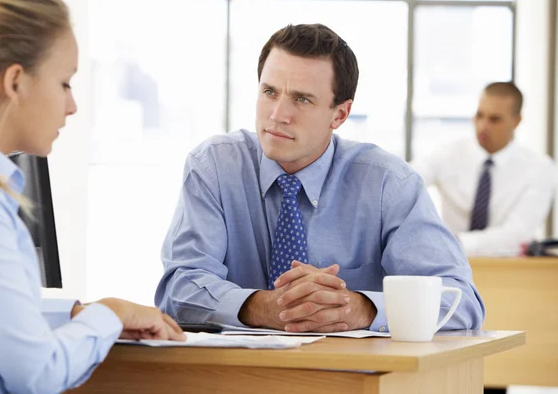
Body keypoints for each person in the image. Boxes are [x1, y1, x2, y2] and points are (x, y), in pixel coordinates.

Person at [155, 23, 485, 334]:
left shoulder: (388, 184)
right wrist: (271, 307)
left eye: (302, 99)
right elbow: (179, 289)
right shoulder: (214, 166)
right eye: (269, 91)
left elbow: (461, 300)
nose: (277, 114)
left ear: (339, 114)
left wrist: (360, 309)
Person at [0, 0, 185, 393]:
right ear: (14, 82)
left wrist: (78, 312)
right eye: (64, 82)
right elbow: (39, 374)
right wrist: (111, 313)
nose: (72, 105)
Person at [411, 82, 556, 257]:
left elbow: (517, 235)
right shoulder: (447, 154)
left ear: (516, 121)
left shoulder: (540, 169)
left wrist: (454, 242)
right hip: (446, 264)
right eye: (479, 115)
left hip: (508, 271)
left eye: (494, 119)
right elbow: (406, 181)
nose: (483, 125)